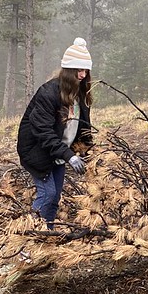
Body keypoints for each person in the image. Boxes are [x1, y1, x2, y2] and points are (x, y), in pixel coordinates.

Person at [17, 38, 94, 229]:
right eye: (79, 70)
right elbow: (43, 132)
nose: (83, 75)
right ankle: (27, 236)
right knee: (47, 194)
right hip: (37, 152)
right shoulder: (49, 93)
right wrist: (70, 157)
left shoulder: (80, 95)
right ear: (68, 71)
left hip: (59, 154)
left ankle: (46, 234)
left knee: (55, 197)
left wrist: (89, 153)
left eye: (86, 70)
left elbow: (84, 127)